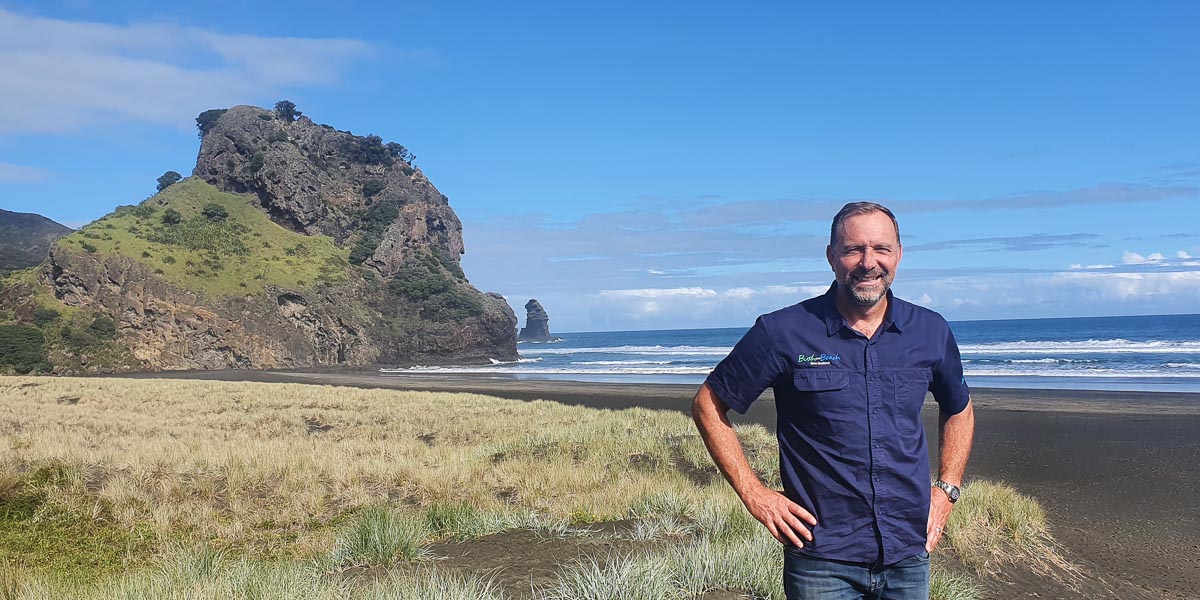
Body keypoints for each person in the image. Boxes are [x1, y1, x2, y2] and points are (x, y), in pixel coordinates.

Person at [692, 202, 975, 599]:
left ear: (898, 255)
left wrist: (947, 489)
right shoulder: (783, 331)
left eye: (881, 248)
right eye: (853, 249)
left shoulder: (930, 330)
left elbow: (958, 407)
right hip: (822, 559)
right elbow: (708, 403)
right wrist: (755, 494)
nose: (868, 262)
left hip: (908, 553)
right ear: (831, 256)